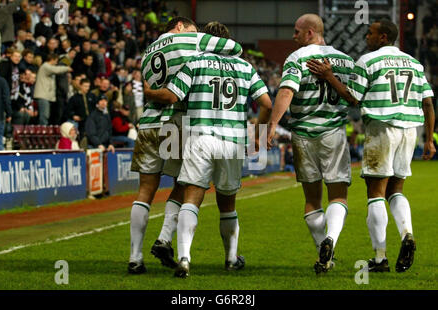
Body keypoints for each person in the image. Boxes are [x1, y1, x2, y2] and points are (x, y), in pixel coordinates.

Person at [143, 21, 272, 278]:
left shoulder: (195, 63)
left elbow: (171, 96)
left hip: (200, 137)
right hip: (233, 141)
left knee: (191, 197)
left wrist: (149, 91)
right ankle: (231, 259)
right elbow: (267, 102)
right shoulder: (245, 66)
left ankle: (184, 258)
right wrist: (259, 131)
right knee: (228, 203)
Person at [306, 19, 436, 272]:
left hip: (381, 128)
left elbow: (352, 98)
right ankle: (407, 233)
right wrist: (429, 139)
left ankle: (379, 258)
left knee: (375, 192)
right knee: (396, 189)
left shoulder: (368, 61)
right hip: (410, 130)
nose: (366, 37)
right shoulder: (415, 63)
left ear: (383, 37)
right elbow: (428, 103)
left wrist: (329, 76)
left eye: (371, 33)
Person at [128, 16, 244, 275]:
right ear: (180, 26)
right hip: (175, 121)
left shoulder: (148, 50)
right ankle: (164, 238)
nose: (194, 36)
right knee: (183, 185)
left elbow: (149, 84)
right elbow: (235, 48)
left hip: (148, 122)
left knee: (145, 191)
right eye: (192, 30)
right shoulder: (189, 39)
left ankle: (135, 257)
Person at [267, 14, 354, 274]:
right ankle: (331, 240)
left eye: (296, 32)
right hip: (334, 134)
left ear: (309, 32)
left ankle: (322, 250)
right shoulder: (346, 60)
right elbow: (354, 98)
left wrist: (272, 124)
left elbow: (286, 91)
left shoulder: (297, 58)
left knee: (312, 199)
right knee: (338, 195)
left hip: (303, 134)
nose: (293, 37)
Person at [33, 53, 72, 125]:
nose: (56, 63)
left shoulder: (48, 68)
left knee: (46, 115)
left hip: (47, 96)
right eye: (56, 61)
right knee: (44, 116)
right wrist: (67, 68)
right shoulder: (45, 66)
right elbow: (56, 70)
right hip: (42, 96)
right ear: (52, 59)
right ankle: (42, 132)